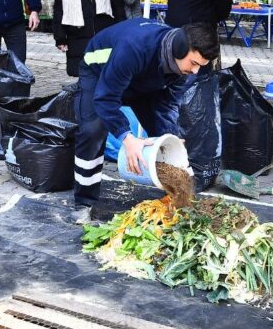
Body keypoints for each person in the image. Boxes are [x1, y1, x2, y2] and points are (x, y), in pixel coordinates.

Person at [72, 18, 219, 210]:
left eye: (201, 65)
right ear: (180, 49)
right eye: (193, 63)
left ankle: (176, 200)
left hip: (140, 80)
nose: (195, 70)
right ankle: (84, 202)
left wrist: (170, 136)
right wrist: (127, 137)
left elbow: (167, 105)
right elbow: (105, 99)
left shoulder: (183, 69)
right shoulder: (134, 47)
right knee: (93, 130)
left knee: (164, 137)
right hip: (99, 71)